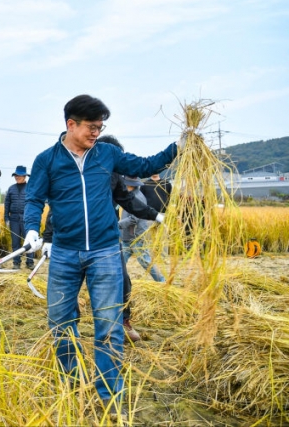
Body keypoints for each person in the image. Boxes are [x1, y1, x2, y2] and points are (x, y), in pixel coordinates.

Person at [23, 94, 179, 413]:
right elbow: (35, 199)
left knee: (108, 327)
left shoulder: (107, 154)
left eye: (100, 127)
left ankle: (110, 397)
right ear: (71, 124)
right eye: (91, 127)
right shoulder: (47, 160)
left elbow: (145, 165)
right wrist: (32, 229)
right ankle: (71, 386)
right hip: (65, 254)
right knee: (61, 324)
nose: (97, 132)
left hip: (106, 253)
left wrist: (178, 148)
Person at [40, 134, 164, 343]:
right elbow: (55, 208)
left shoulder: (113, 173)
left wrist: (155, 214)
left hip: (106, 239)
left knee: (122, 280)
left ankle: (123, 321)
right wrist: (48, 238)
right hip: (73, 241)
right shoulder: (72, 171)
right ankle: (69, 327)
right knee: (69, 285)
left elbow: (127, 200)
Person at [118, 176, 166, 283]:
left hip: (137, 236)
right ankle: (118, 283)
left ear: (130, 185)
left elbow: (134, 219)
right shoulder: (128, 195)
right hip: (128, 237)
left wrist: (118, 225)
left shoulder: (138, 198)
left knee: (146, 262)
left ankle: (162, 281)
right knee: (119, 262)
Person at [4, 165, 34, 270]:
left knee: (29, 241)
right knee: (15, 242)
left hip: (27, 219)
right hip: (14, 219)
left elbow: (34, 203)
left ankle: (30, 262)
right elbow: (7, 204)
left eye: (19, 175)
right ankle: (16, 262)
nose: (17, 177)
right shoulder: (11, 189)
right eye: (16, 175)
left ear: (25, 176)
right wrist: (6, 218)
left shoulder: (30, 188)